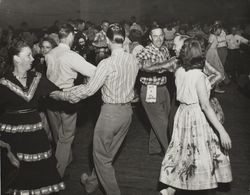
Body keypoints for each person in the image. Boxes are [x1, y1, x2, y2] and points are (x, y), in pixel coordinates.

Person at [68, 23, 139, 195]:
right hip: (127, 113)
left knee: (100, 157)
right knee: (108, 155)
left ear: (107, 40)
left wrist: (67, 94)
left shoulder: (106, 63)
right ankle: (92, 183)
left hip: (110, 114)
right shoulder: (133, 60)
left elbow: (89, 90)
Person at [159, 38, 232, 195]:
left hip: (182, 114)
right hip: (196, 115)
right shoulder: (199, 77)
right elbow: (205, 106)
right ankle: (199, 185)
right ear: (199, 55)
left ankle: (172, 187)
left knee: (182, 150)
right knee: (201, 152)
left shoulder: (179, 72)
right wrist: (222, 131)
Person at [0, 40, 70, 194]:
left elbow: (55, 93)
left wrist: (70, 95)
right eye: (28, 55)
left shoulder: (37, 78)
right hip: (12, 137)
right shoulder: (4, 82)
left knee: (39, 175)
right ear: (16, 59)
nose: (33, 58)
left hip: (35, 135)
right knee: (15, 175)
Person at [45, 23, 96, 177]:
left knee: (57, 134)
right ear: (70, 37)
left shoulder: (50, 53)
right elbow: (93, 71)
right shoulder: (71, 55)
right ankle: (56, 174)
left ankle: (67, 158)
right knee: (66, 137)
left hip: (50, 97)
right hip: (67, 98)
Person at [136, 25, 171, 155]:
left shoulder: (165, 50)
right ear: (150, 37)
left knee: (161, 119)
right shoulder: (146, 51)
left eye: (160, 35)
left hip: (163, 88)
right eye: (155, 36)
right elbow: (141, 63)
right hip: (150, 90)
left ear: (164, 36)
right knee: (162, 122)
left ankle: (154, 148)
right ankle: (169, 151)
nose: (158, 39)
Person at [206, 24, 225, 93]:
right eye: (220, 30)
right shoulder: (213, 36)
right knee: (216, 70)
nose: (220, 31)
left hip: (214, 53)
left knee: (215, 70)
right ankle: (215, 87)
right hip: (211, 54)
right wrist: (205, 54)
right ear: (216, 29)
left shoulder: (214, 36)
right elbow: (208, 46)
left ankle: (214, 86)